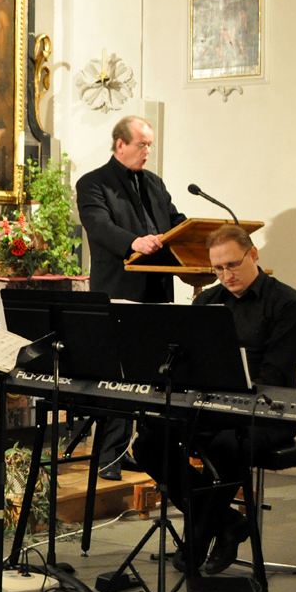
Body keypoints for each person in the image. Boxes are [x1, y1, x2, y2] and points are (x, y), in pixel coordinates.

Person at [132, 224, 296, 574]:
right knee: (150, 444)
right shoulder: (208, 301)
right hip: (210, 410)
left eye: (232, 265)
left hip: (269, 413)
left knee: (226, 448)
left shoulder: (289, 303)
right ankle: (228, 522)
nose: (226, 275)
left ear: (253, 254)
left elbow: (275, 376)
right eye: (217, 269)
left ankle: (198, 539)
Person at [76, 116, 187, 480]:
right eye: (142, 144)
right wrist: (133, 242)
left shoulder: (154, 183)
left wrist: (197, 234)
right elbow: (99, 226)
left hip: (157, 291)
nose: (147, 152)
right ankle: (108, 457)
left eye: (150, 145)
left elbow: (172, 221)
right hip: (119, 290)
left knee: (152, 377)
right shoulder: (93, 183)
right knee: (118, 378)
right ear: (120, 144)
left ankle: (138, 450)